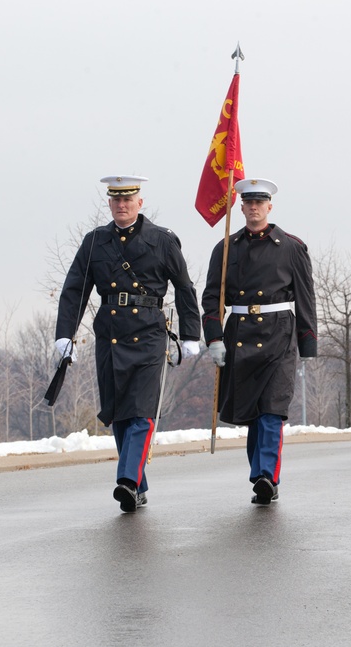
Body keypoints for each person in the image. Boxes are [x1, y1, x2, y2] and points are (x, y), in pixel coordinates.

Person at [55, 175, 201, 513]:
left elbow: (184, 288)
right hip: (110, 334)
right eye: (116, 200)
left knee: (142, 410)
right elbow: (75, 289)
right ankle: (138, 483)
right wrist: (65, 334)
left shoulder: (163, 240)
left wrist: (191, 333)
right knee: (119, 412)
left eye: (128, 199)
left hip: (149, 333)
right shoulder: (95, 242)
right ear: (109, 203)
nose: (122, 205)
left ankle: (127, 480)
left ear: (140, 202)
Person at [202, 178, 317, 505]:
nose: (254, 207)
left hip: (280, 334)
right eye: (248, 202)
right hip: (239, 333)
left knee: (271, 410)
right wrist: (214, 336)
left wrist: (308, 342)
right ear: (240, 206)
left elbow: (306, 298)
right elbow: (212, 297)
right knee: (253, 413)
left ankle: (267, 475)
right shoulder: (226, 248)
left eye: (260, 202)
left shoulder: (291, 247)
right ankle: (261, 473)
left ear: (269, 206)